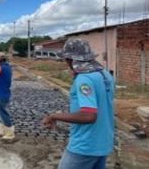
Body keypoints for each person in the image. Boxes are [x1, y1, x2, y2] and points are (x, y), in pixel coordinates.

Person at [42, 39, 114, 169]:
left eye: (66, 59)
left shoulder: (84, 79)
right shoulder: (105, 74)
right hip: (103, 142)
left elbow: (88, 116)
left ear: (70, 59)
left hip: (85, 145)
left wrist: (54, 116)